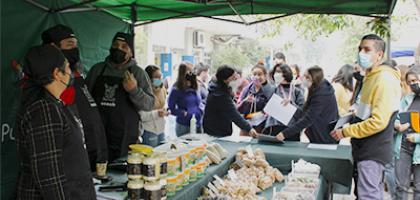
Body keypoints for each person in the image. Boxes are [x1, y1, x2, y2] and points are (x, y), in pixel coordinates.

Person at [15, 45, 96, 199]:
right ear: (57, 73)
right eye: (67, 67)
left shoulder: (55, 103)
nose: (71, 72)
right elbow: (49, 179)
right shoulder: (44, 109)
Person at [331, 34, 401, 200]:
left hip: (373, 149)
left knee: (368, 195)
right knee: (365, 193)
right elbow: (365, 113)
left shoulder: (384, 79)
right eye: (360, 49)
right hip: (363, 148)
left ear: (379, 55)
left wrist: (347, 131)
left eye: (367, 49)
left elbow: (378, 121)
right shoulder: (370, 78)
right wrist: (352, 117)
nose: (361, 53)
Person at [41, 24, 108, 173]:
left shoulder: (78, 72)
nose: (75, 50)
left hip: (94, 156)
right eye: (70, 45)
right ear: (53, 47)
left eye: (76, 46)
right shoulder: (50, 84)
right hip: (73, 165)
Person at [86, 32, 155, 161]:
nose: (119, 49)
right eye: (116, 45)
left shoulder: (138, 73)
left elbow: (150, 104)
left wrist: (134, 90)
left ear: (131, 52)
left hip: (126, 137)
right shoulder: (97, 70)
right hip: (98, 134)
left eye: (124, 47)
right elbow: (86, 99)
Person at [276, 66, 338, 144]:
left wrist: (284, 134)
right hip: (319, 134)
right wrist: (291, 105)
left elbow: (308, 119)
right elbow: (304, 112)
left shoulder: (321, 95)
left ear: (314, 79)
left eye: (306, 77)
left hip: (324, 137)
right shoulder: (318, 89)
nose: (303, 78)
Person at [203, 65, 257, 137]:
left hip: (218, 129)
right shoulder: (219, 95)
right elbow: (234, 114)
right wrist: (249, 128)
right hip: (216, 132)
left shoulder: (221, 88)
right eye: (233, 77)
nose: (236, 79)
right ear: (225, 79)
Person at [394, 67, 420, 200]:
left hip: (418, 149)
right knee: (400, 187)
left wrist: (416, 138)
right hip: (403, 147)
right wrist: (397, 126)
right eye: (410, 82)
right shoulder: (407, 99)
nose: (413, 84)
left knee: (419, 188)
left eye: (415, 80)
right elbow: (395, 117)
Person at [264, 64, 305, 141]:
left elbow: (302, 113)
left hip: (291, 130)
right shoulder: (273, 89)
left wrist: (291, 105)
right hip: (273, 128)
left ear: (286, 73)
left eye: (279, 71)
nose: (276, 74)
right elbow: (264, 88)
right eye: (275, 72)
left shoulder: (297, 91)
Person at [168, 63, 204, 137]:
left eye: (193, 71)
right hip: (184, 125)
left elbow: (200, 102)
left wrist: (201, 110)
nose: (192, 73)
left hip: (198, 123)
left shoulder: (195, 86)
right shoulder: (176, 89)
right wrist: (183, 113)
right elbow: (171, 108)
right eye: (190, 71)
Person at [237, 64, 272, 133]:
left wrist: (262, 114)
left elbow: (272, 109)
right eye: (254, 74)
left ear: (265, 76)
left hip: (263, 127)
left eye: (259, 74)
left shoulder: (270, 90)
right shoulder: (246, 90)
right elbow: (238, 107)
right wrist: (245, 101)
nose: (257, 77)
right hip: (247, 126)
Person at [139, 65, 169, 147]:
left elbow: (162, 105)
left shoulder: (162, 89)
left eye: (160, 77)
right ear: (148, 78)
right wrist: (156, 114)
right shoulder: (143, 93)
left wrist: (165, 111)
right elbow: (141, 116)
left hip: (161, 130)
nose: (159, 80)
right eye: (156, 77)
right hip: (149, 131)